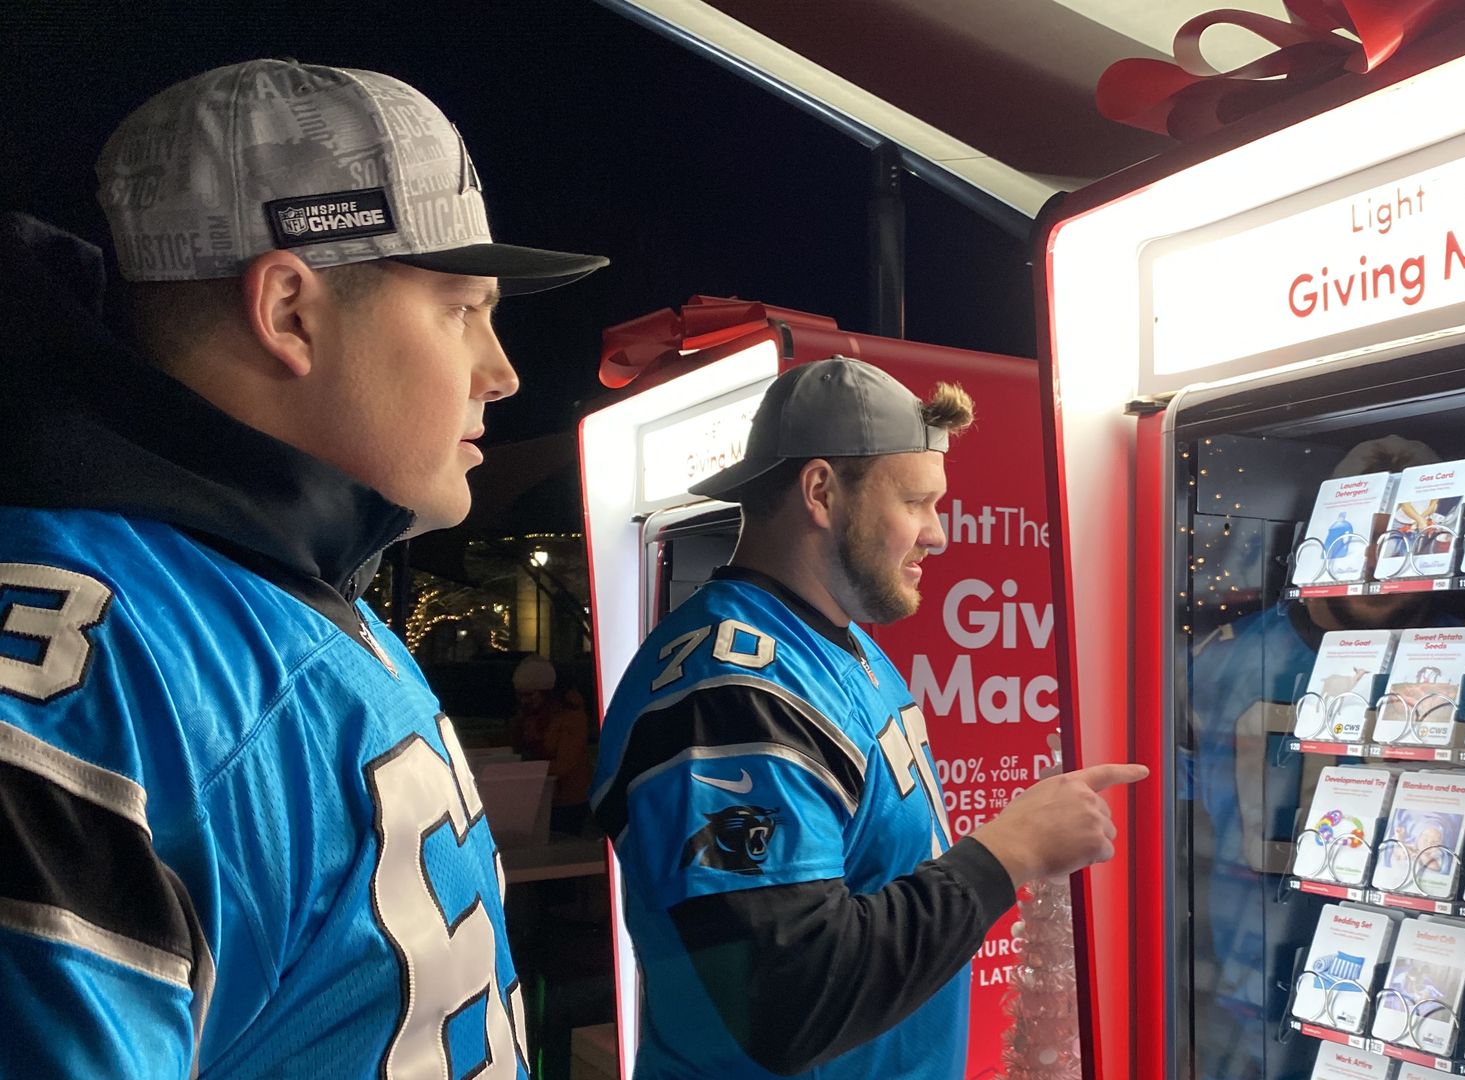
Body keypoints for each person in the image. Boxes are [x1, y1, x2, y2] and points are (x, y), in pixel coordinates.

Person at [0, 60, 606, 1078]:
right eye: (464, 307)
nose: (501, 371)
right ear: (290, 311)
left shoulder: (292, 592)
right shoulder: (93, 676)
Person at [590, 357, 1147, 1079]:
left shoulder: (833, 644)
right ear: (820, 491)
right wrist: (1010, 853)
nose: (938, 533)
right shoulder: (729, 692)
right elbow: (785, 997)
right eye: (917, 502)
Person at [508, 654, 594, 835]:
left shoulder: (571, 717)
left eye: (530, 695)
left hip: (568, 800)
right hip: (539, 796)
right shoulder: (526, 717)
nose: (524, 701)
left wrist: (526, 768)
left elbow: (564, 764)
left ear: (547, 692)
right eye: (520, 695)